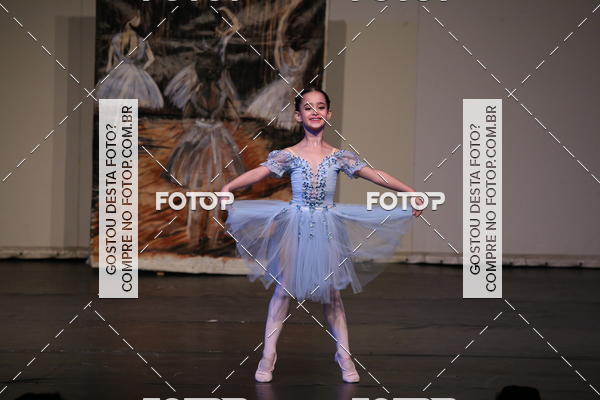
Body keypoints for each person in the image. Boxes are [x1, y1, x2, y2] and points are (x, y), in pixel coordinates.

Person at [219, 87, 423, 383]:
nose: (314, 112)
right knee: (283, 289)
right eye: (308, 107)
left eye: (320, 106)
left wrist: (409, 190)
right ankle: (268, 354)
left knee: (332, 293)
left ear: (329, 113)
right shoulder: (289, 155)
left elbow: (373, 173)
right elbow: (260, 172)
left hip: (327, 226)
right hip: (295, 224)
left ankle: (344, 354)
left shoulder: (339, 157)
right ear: (297, 116)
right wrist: (229, 187)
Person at [96, 9, 164, 110]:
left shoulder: (117, 39)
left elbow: (111, 58)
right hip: (134, 70)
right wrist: (142, 69)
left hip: (120, 69)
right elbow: (151, 59)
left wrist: (110, 67)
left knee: (118, 94)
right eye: (137, 18)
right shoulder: (142, 41)